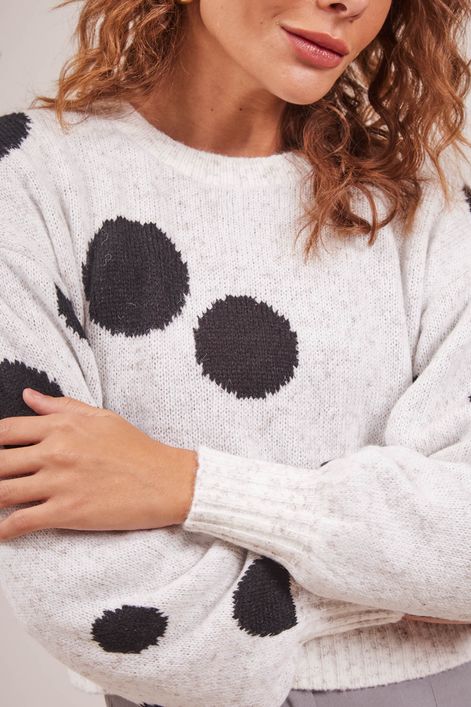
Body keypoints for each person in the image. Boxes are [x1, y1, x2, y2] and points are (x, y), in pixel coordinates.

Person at [0, 0, 470, 705]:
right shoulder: (27, 180)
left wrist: (186, 483)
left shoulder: (423, 196)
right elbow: (80, 596)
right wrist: (400, 583)